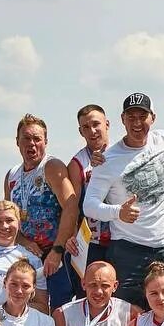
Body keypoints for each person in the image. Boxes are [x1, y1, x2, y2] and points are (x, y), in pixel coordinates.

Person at [83, 93, 164, 308]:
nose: (137, 123)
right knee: (128, 314)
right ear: (122, 120)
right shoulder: (107, 159)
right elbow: (89, 205)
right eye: (131, 117)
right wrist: (118, 212)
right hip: (128, 249)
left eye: (142, 116)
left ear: (152, 118)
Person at [2, 114, 81, 308]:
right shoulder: (11, 175)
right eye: (26, 138)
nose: (32, 144)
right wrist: (24, 241)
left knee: (58, 310)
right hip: (27, 255)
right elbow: (9, 219)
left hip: (55, 255)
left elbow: (71, 207)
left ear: (45, 141)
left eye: (37, 139)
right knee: (30, 308)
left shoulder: (52, 167)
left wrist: (57, 249)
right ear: (17, 142)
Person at [66, 104, 111, 265]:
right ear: (80, 131)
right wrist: (71, 236)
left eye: (96, 124)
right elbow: (73, 206)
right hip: (92, 242)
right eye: (86, 127)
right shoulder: (77, 163)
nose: (92, 131)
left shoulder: (122, 152)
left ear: (107, 124)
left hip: (122, 238)